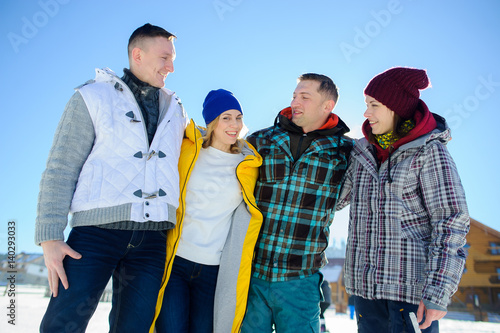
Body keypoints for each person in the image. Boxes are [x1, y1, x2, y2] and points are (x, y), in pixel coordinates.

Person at [35, 23, 188, 332]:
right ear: (138, 54)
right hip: (95, 234)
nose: (171, 67)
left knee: (134, 327)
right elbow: (61, 166)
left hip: (152, 239)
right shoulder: (92, 96)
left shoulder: (176, 110)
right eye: (164, 57)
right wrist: (50, 235)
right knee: (63, 323)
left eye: (173, 59)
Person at [336, 67, 470, 333]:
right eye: (366, 105)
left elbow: (451, 222)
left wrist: (438, 292)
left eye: (373, 105)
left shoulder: (429, 152)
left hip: (411, 296)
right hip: (367, 293)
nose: (366, 113)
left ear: (395, 108)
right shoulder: (362, 152)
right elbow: (336, 199)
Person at [241, 73, 354, 332]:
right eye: (294, 95)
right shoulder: (261, 141)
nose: (295, 102)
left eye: (305, 97)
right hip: (251, 275)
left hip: (300, 280)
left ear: (328, 106)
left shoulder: (345, 152)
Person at [151, 89, 263, 333]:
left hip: (213, 270)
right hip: (176, 262)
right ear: (212, 122)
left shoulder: (249, 164)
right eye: (226, 117)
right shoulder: (188, 151)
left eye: (238, 117)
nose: (234, 125)